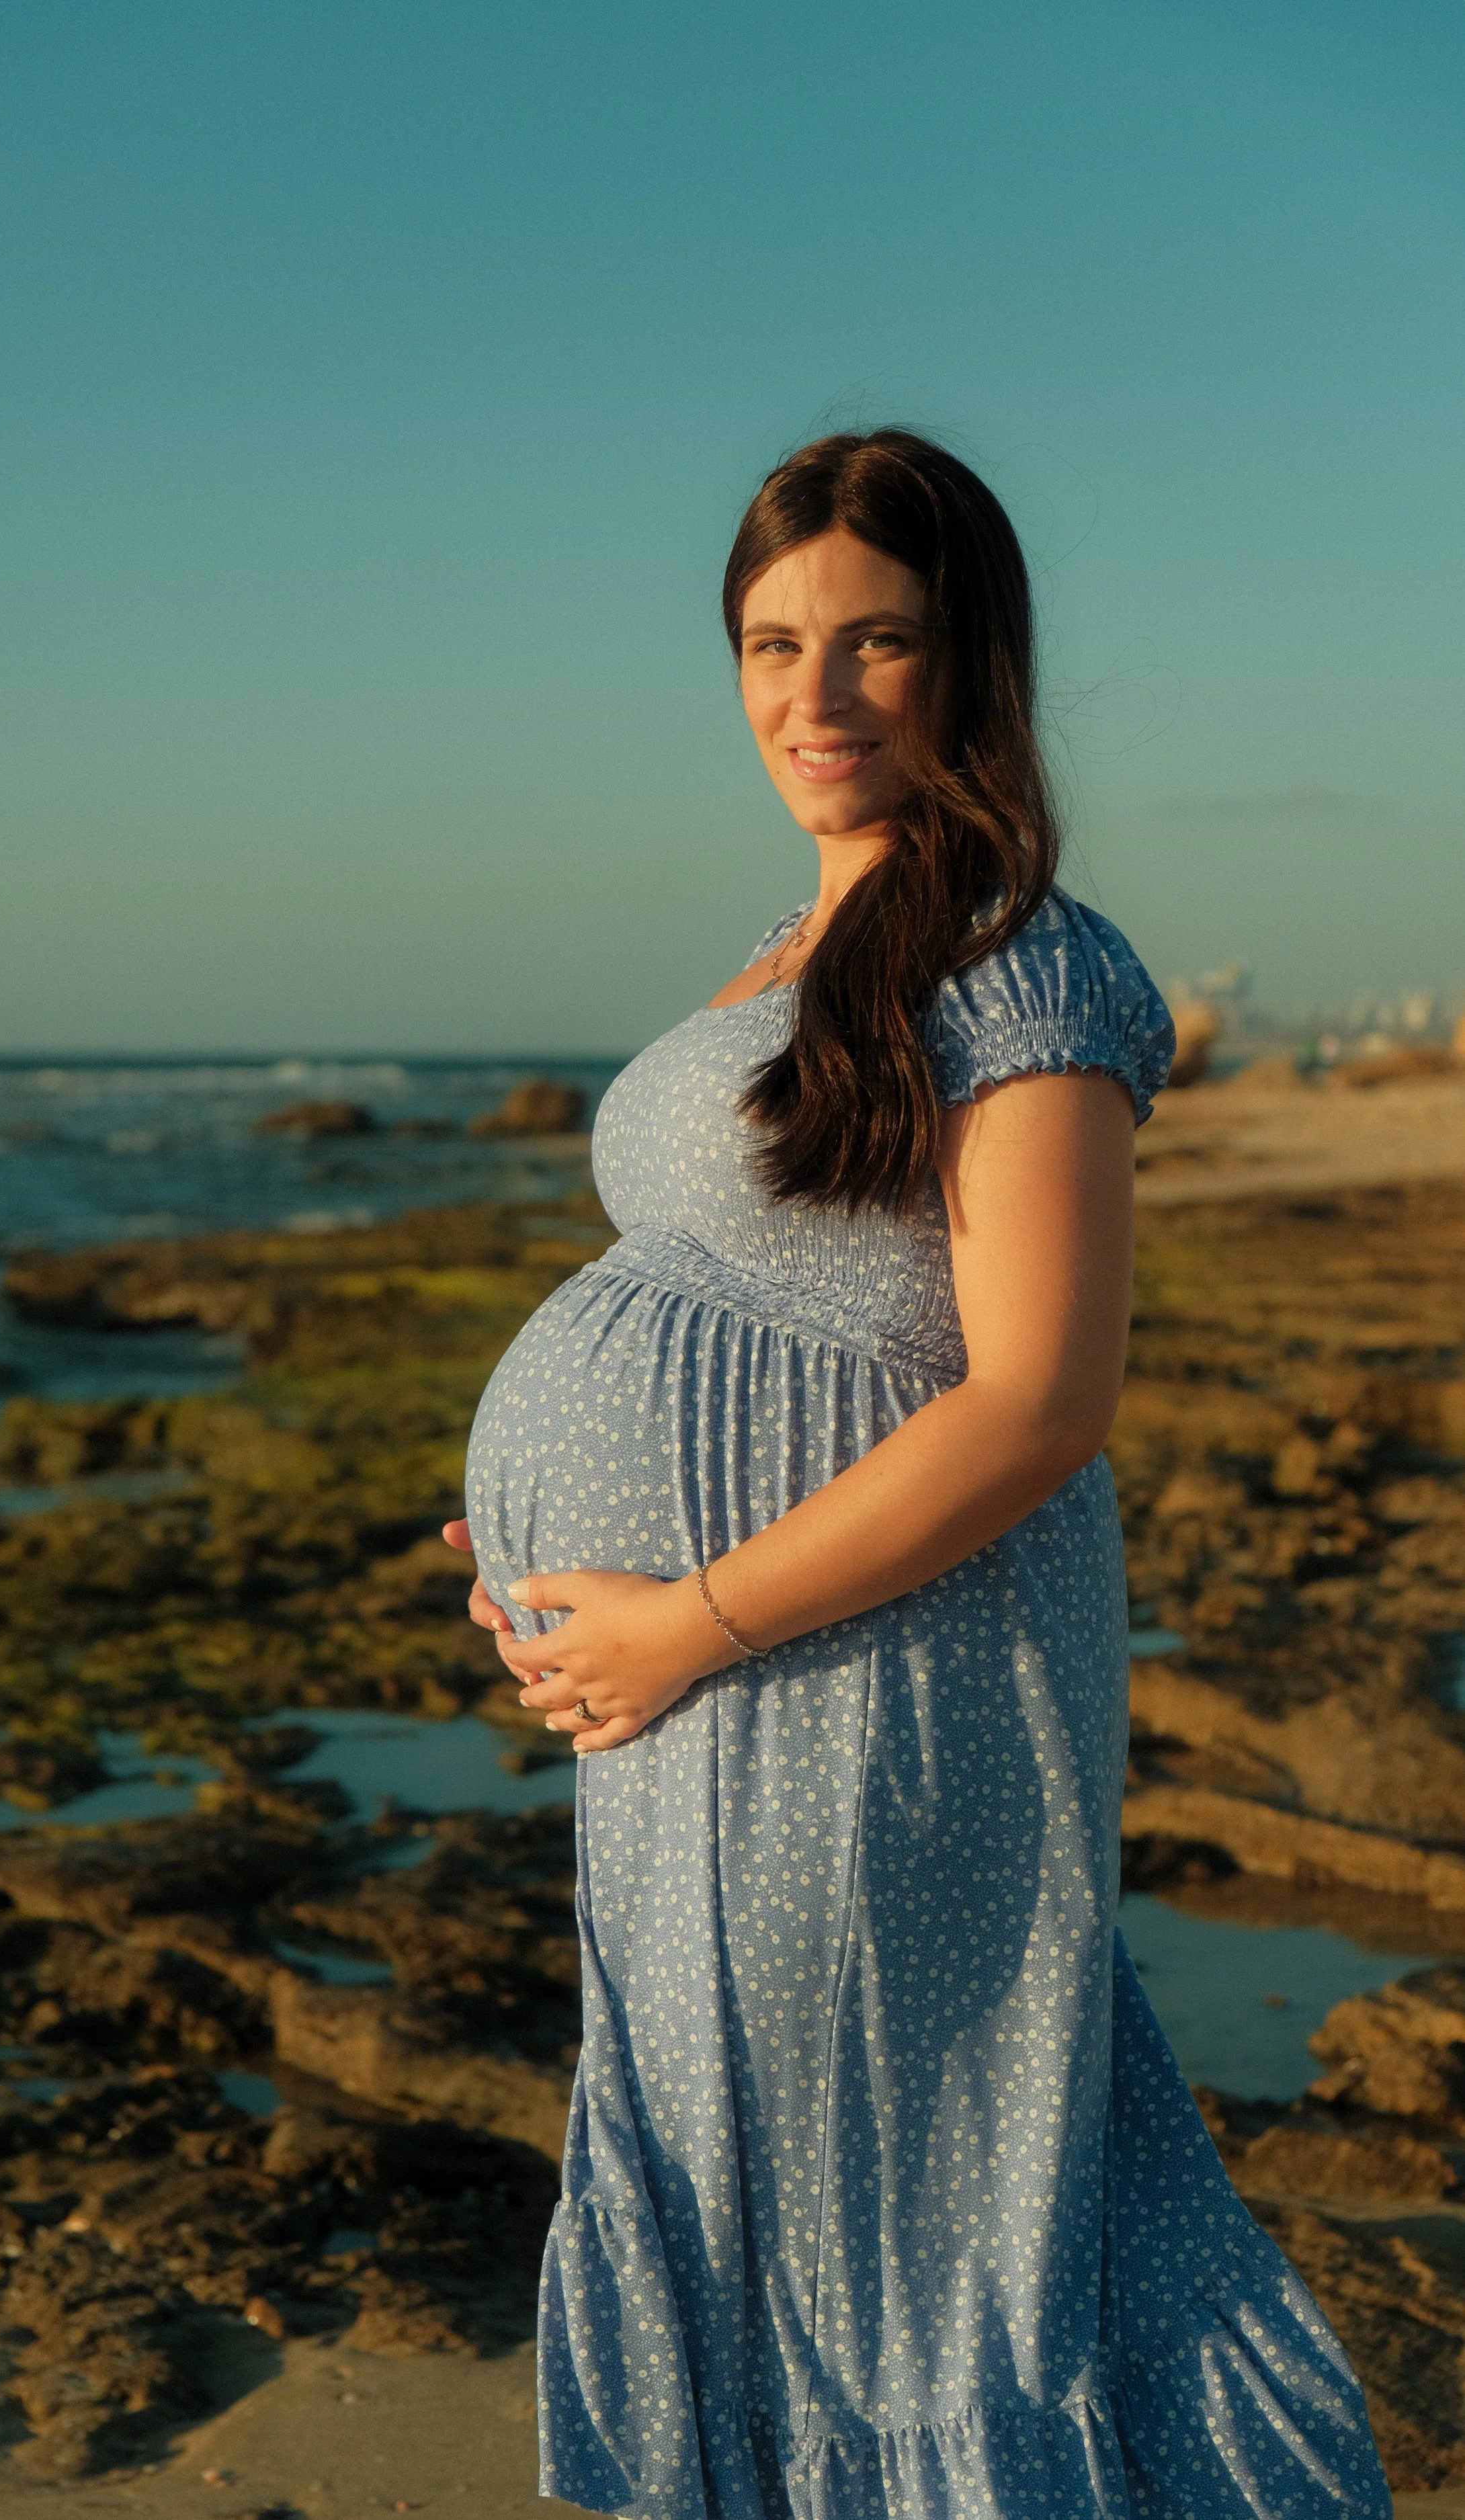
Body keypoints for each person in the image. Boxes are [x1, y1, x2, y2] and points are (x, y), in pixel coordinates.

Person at [444, 430, 1389, 2520]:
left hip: (859, 1701)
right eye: (772, 641)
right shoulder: (800, 946)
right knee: (772, 2197)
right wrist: (546, 1537)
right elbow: (750, 1303)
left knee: (902, 2233)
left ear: (971, 661)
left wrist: (682, 1602)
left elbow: (1041, 1393)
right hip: (704, 1704)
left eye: (877, 639)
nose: (815, 691)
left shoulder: (1016, 961)